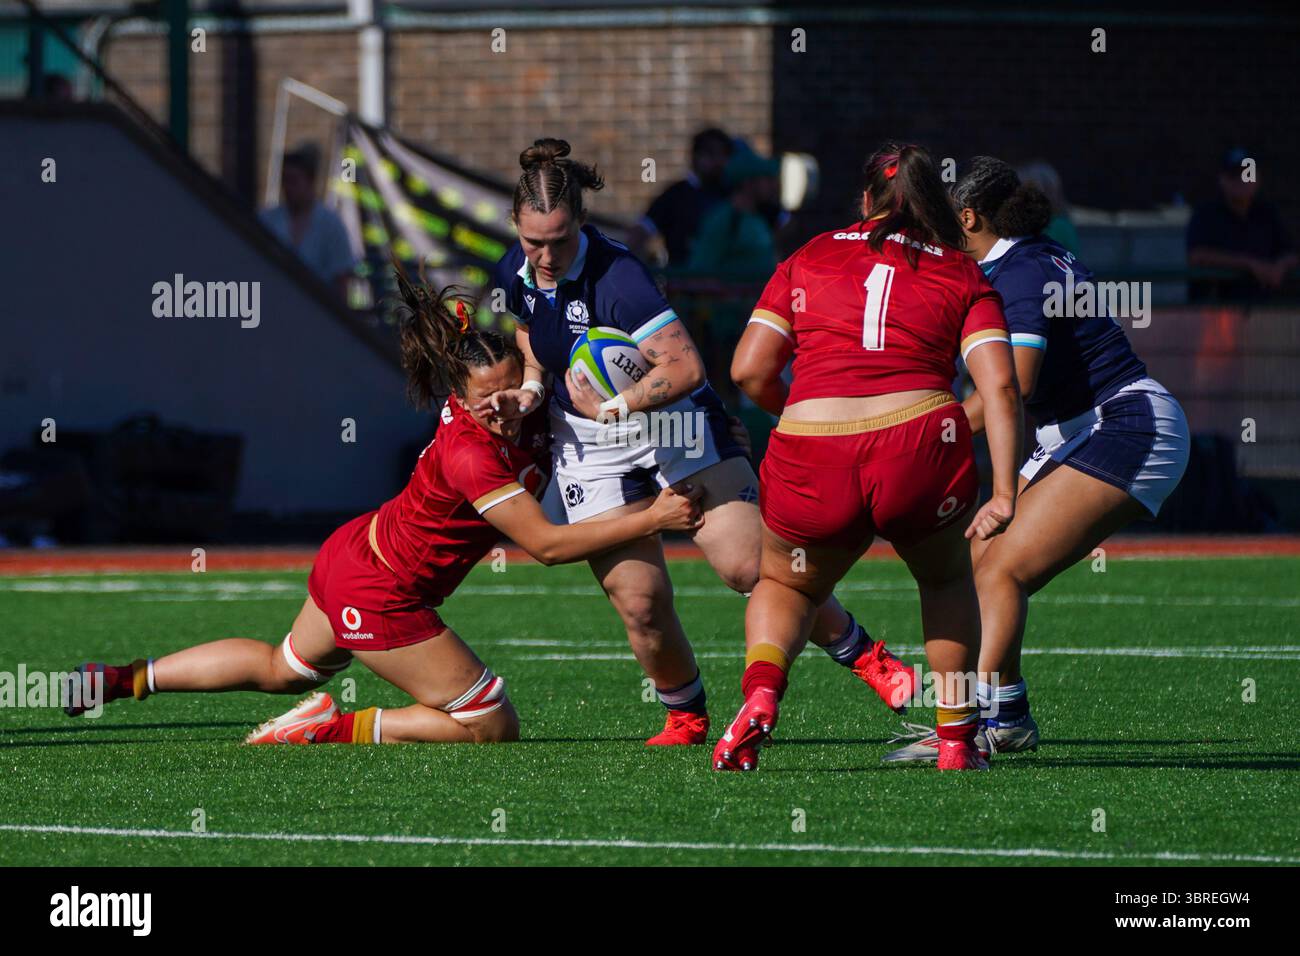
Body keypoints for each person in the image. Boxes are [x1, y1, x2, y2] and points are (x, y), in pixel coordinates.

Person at [63, 275, 704, 745]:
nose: (503, 404)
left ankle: (121, 680)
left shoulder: (523, 401)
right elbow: (546, 547)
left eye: (513, 387)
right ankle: (328, 728)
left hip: (358, 551)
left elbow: (531, 343)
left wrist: (543, 383)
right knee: (490, 724)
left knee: (281, 666)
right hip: (382, 592)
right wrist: (654, 518)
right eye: (488, 397)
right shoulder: (470, 455)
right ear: (458, 394)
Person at [482, 139, 919, 746]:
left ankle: (862, 652)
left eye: (559, 240)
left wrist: (618, 404)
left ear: (581, 221)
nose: (546, 255)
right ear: (515, 225)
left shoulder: (620, 278)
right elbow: (531, 334)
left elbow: (685, 368)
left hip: (671, 423)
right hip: (588, 440)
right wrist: (530, 390)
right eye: (534, 241)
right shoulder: (512, 268)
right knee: (639, 602)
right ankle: (685, 713)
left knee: (749, 567)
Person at [717, 142, 1023, 773]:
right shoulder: (964, 272)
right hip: (919, 443)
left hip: (811, 444)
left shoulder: (809, 255)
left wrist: (798, 415)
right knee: (943, 580)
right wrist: (1006, 492)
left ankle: (762, 697)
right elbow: (1000, 386)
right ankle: (957, 740)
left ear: (864, 200)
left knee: (786, 583)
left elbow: (748, 370)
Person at [885, 156, 1190, 762]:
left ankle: (975, 726)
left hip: (1125, 424)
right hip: (1082, 427)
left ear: (968, 217)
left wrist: (917, 434)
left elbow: (1013, 386)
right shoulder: (1028, 258)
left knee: (1002, 570)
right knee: (978, 561)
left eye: (942, 220)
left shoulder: (1018, 272)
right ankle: (1008, 714)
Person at [1186, 147, 1297, 303]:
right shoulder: (1206, 214)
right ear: (1222, 180)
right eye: (1234, 175)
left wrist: (1280, 266)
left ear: (1258, 179)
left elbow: (1290, 252)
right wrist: (1249, 264)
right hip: (1215, 310)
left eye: (1248, 174)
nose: (1242, 181)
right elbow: (1197, 256)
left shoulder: (1267, 213)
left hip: (1266, 311)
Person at [260, 143, 359, 302]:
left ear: (310, 181)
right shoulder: (268, 220)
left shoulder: (331, 225)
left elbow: (342, 281)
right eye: (285, 181)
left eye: (294, 181)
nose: (288, 188)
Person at [630, 127, 734, 267]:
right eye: (711, 154)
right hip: (685, 282)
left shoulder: (733, 195)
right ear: (696, 156)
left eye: (724, 155)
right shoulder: (674, 196)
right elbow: (639, 233)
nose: (718, 161)